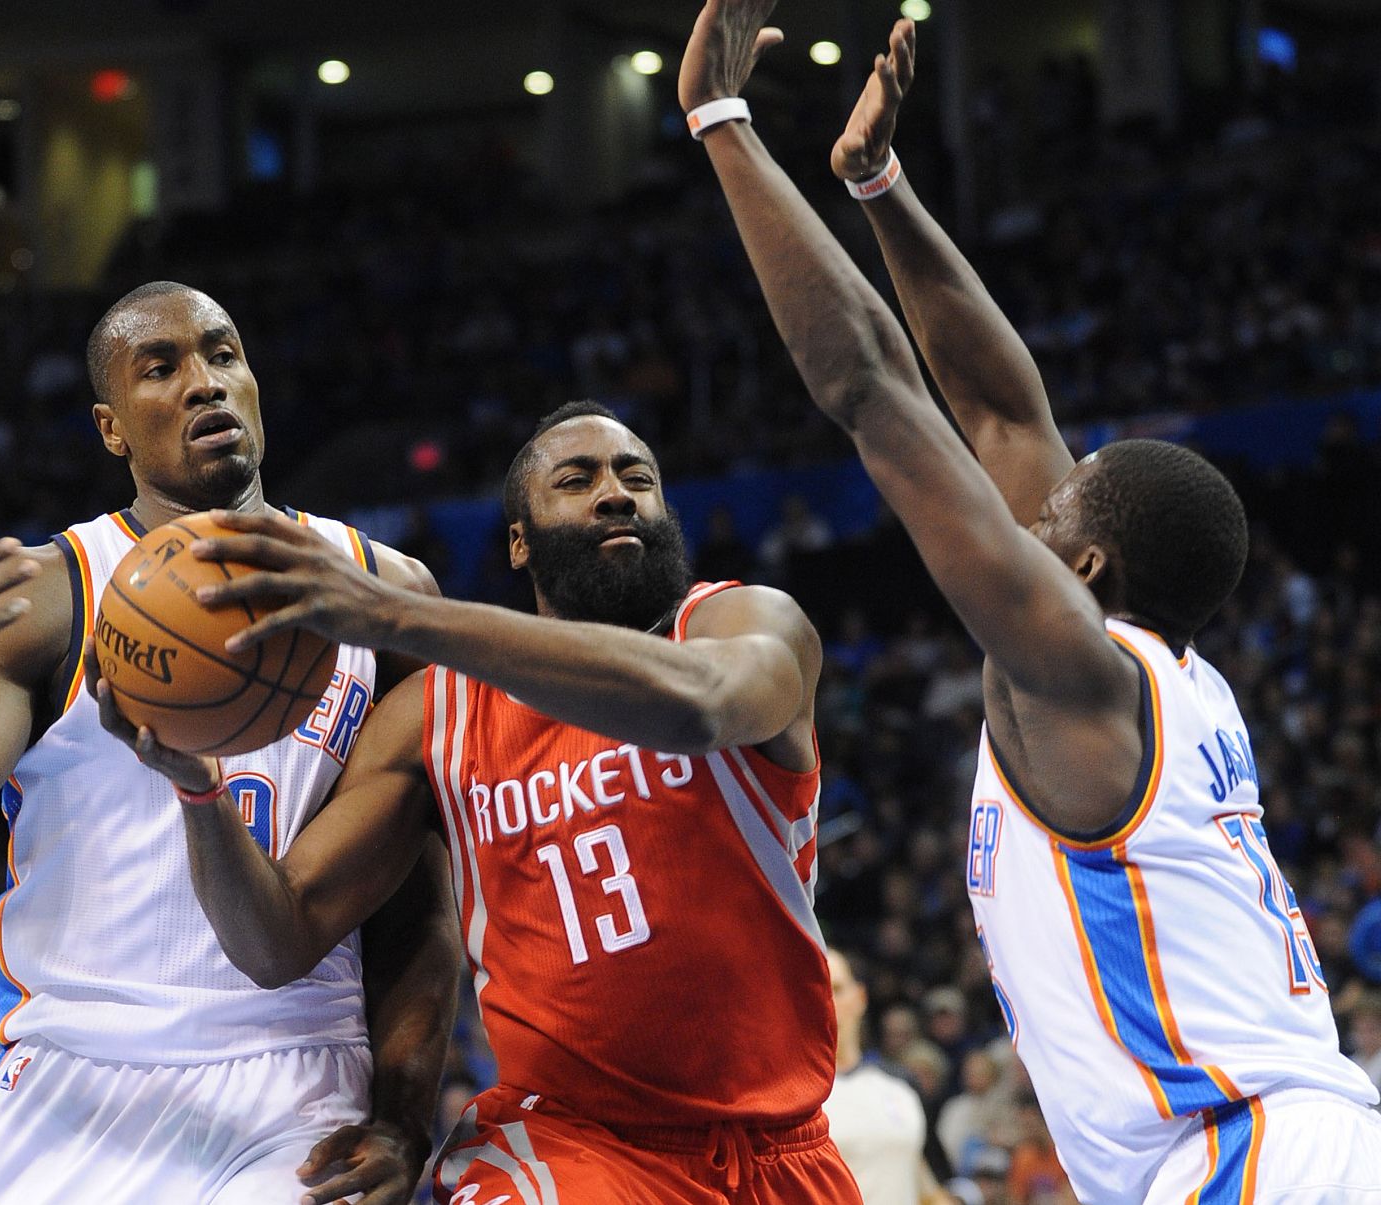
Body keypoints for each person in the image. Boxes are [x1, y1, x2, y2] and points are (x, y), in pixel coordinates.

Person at [680, 3, 1381, 1201]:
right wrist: (880, 183)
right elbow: (1006, 415)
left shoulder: (1076, 674)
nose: (1031, 508)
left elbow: (869, 388)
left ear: (1090, 569)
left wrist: (722, 124)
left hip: (1257, 1157)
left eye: (1060, 514)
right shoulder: (1163, 682)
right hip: (1262, 1142)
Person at [92, 398, 862, 1203]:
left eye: (638, 477)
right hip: (567, 1143)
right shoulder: (438, 712)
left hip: (784, 1152)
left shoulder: (741, 621)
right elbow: (275, 938)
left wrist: (404, 614)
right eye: (578, 478)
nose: (615, 493)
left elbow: (701, 705)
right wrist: (197, 790)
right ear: (518, 542)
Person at [0, 281, 458, 1205]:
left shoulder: (386, 592)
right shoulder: (49, 601)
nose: (204, 382)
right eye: (160, 367)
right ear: (111, 428)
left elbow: (419, 904)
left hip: (292, 1074)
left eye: (222, 354)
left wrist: (406, 1114)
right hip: (70, 1081)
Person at [822, 949, 955, 1205]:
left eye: (836, 989)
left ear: (860, 997)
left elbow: (920, 1176)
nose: (827, 1001)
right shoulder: (794, 1099)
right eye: (817, 989)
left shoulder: (902, 1084)